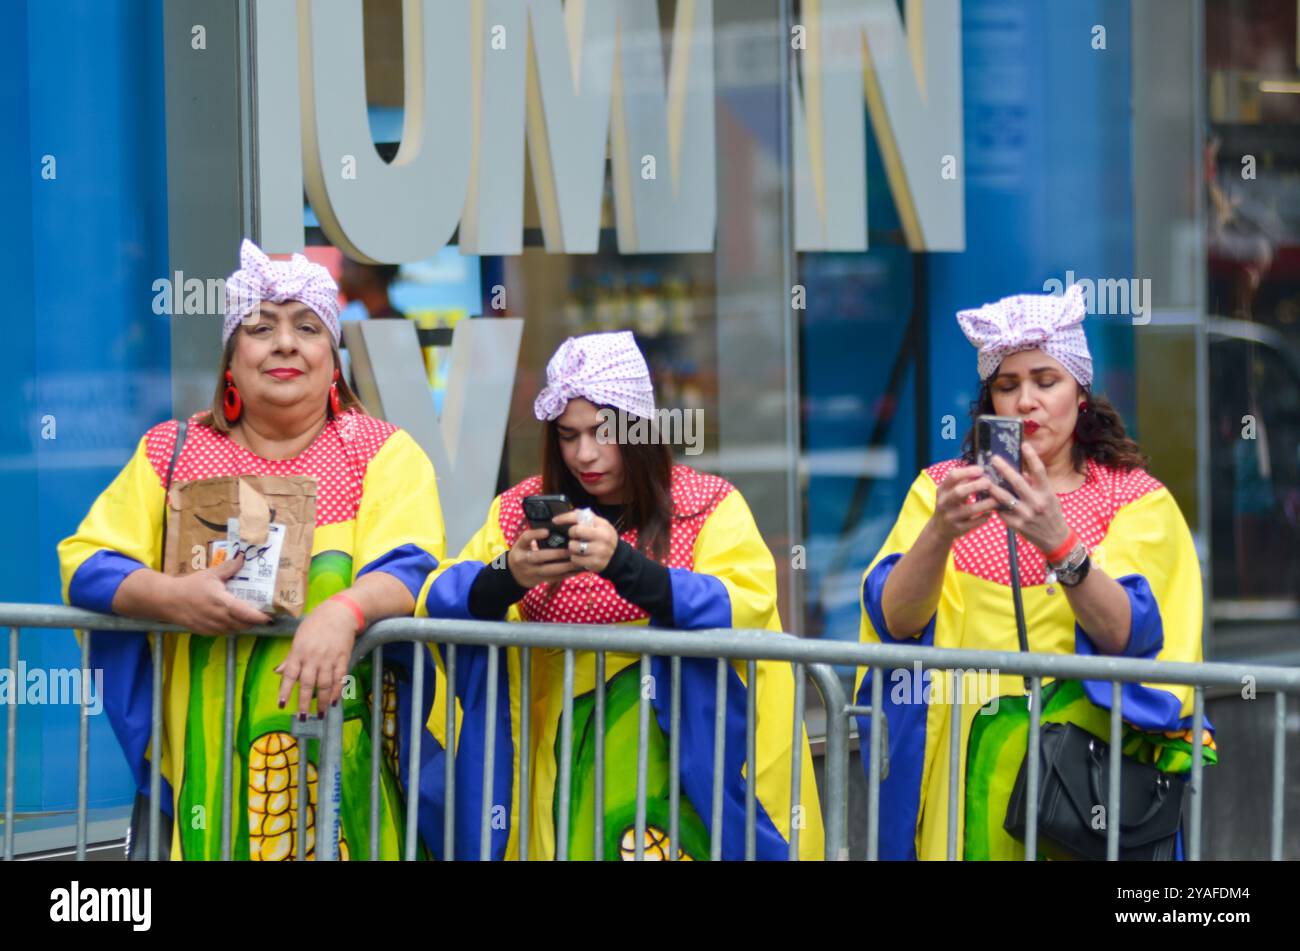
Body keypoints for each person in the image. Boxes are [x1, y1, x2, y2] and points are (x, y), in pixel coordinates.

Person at [58, 239, 445, 860]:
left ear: (333, 358)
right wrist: (168, 597)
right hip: (206, 775)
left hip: (353, 774)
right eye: (261, 328)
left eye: (309, 328)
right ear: (231, 362)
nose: (286, 344)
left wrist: (342, 614)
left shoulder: (382, 452)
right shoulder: (171, 450)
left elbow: (412, 568)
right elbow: (88, 561)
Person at [417, 331, 823, 860]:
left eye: (602, 432)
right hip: (561, 776)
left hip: (685, 773)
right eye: (568, 435)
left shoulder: (708, 504)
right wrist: (509, 572)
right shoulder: (517, 509)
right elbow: (436, 597)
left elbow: (744, 601)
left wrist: (624, 566)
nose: (585, 454)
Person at [856, 285, 1216, 861]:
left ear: (1080, 392)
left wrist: (1060, 543)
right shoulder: (942, 490)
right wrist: (940, 533)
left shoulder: (1134, 499)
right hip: (963, 782)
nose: (1026, 402)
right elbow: (895, 621)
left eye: (1045, 381)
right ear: (990, 402)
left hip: (1084, 790)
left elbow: (1135, 637)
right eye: (1007, 385)